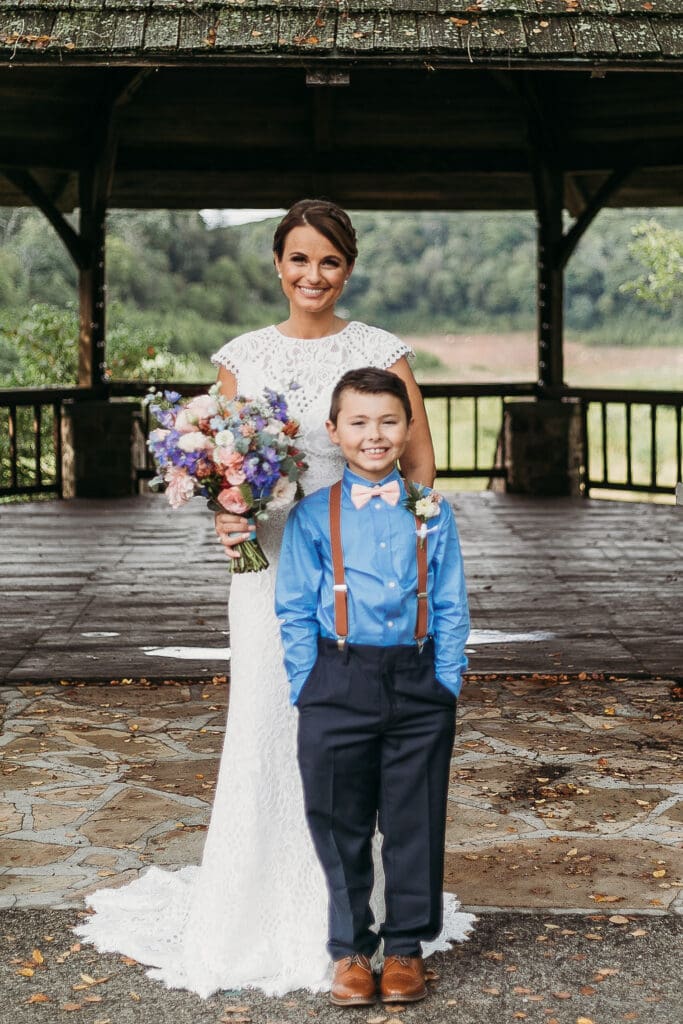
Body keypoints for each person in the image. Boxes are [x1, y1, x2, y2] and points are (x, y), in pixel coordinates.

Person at [75, 199, 474, 998]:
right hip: (271, 577)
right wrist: (228, 513)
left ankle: (376, 933)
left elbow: (420, 464)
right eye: (298, 259)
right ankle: (276, 910)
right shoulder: (242, 357)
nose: (312, 276)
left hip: (366, 574)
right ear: (277, 265)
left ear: (348, 268)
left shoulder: (380, 352)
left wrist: (406, 555)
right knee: (276, 720)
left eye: (328, 262)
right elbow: (220, 464)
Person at [275, 367, 470, 1006]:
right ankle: (352, 949)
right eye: (358, 422)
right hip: (337, 678)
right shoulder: (311, 515)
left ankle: (408, 947)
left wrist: (445, 682)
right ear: (334, 431)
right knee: (339, 819)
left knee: (415, 818)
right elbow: (295, 607)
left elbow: (450, 601)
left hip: (417, 683)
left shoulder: (431, 510)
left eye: (389, 421)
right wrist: (309, 682)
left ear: (408, 428)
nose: (375, 435)